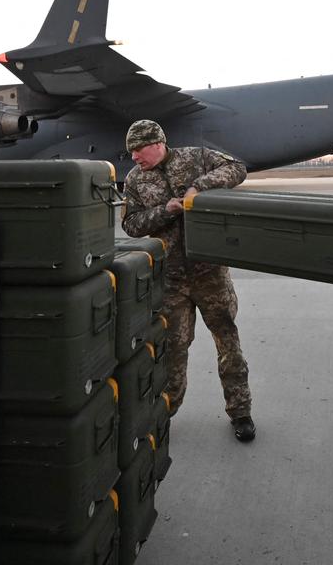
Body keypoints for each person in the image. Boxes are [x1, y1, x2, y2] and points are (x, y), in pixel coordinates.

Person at [120, 119, 256, 442]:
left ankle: (241, 412)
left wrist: (199, 188)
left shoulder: (195, 158)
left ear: (156, 143)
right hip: (172, 279)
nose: (134, 158)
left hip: (211, 274)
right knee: (172, 350)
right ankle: (165, 413)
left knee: (228, 342)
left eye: (138, 150)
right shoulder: (135, 180)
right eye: (132, 153)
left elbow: (237, 169)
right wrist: (164, 212)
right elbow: (131, 224)